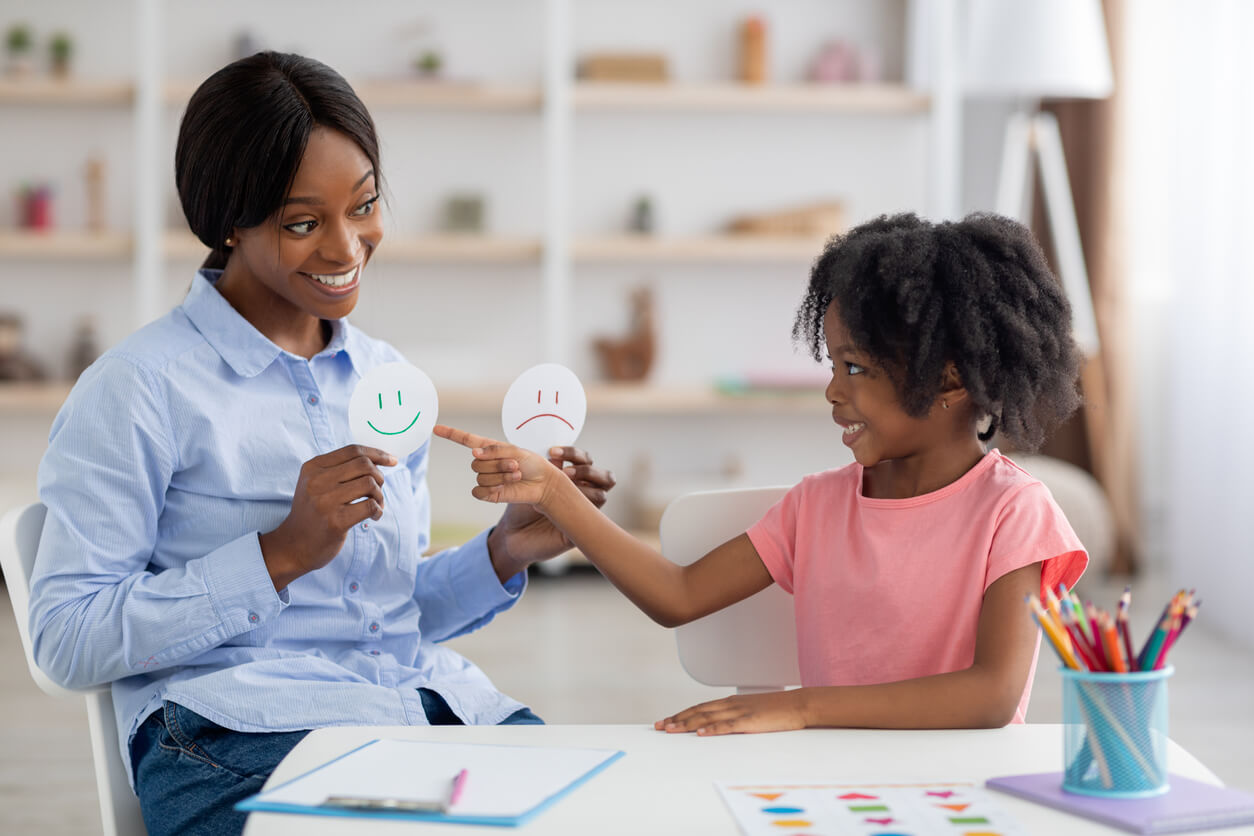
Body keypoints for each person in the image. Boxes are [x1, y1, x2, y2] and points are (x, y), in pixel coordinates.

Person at [27, 52, 614, 836]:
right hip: (235, 739)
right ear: (229, 220)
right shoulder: (138, 389)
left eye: (364, 205)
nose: (346, 248)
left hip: (419, 711)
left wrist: (504, 550)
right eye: (303, 223)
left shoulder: (389, 380)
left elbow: (386, 615)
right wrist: (279, 555)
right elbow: (66, 637)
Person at [436, 212, 1090, 736]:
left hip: (956, 792)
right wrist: (554, 494)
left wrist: (803, 706)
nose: (832, 391)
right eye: (832, 366)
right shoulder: (818, 507)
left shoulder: (1015, 512)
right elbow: (679, 595)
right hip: (821, 784)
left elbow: (992, 695)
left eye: (855, 368)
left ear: (948, 377)